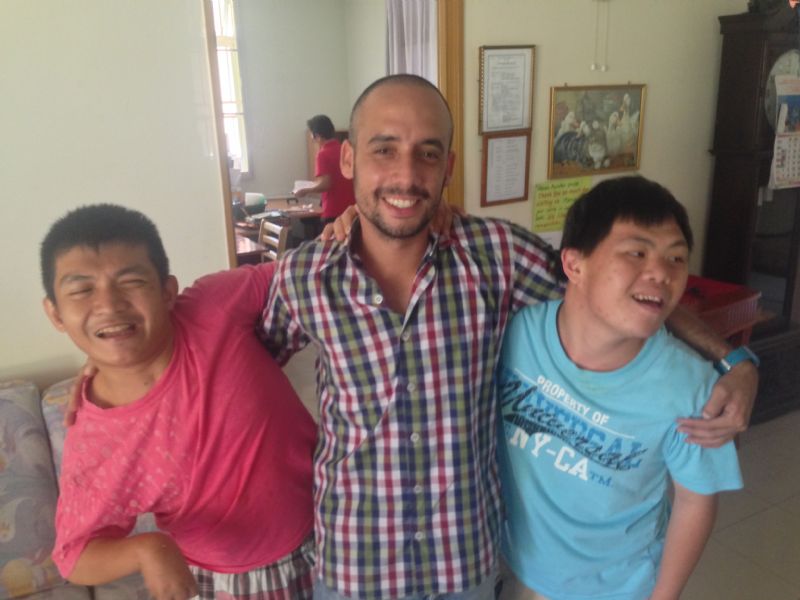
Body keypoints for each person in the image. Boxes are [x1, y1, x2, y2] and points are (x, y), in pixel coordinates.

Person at [261, 74, 758, 599]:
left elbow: (615, 289)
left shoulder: (497, 257)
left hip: (464, 564)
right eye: (384, 149)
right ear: (348, 160)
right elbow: (253, 367)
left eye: (428, 153)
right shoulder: (304, 276)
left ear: (448, 167)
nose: (406, 175)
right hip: (354, 562)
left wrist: (735, 360)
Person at [41, 205, 317, 600]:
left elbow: (305, 270)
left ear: (167, 292)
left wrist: (346, 227)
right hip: (239, 580)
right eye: (82, 290)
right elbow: (74, 555)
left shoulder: (212, 307)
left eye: (131, 281)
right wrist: (148, 549)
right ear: (55, 313)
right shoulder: (93, 441)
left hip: (339, 520)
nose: (109, 305)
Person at [496, 176, 743, 600]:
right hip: (512, 565)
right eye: (637, 252)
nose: (662, 273)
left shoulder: (692, 388)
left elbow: (695, 501)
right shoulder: (517, 335)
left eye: (676, 258)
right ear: (574, 265)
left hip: (618, 586)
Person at [295, 114, 356, 224]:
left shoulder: (323, 154)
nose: (312, 138)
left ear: (317, 136)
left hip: (334, 210)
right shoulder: (345, 150)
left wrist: (305, 191)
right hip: (351, 209)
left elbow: (326, 184)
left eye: (312, 135)